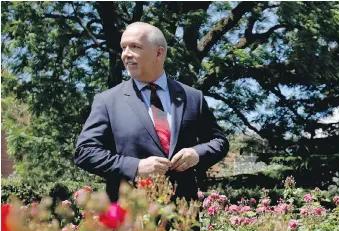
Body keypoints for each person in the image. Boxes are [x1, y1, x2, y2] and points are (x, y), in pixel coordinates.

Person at [74, 22, 229, 202]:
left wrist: (197, 154)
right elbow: (85, 152)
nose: (126, 54)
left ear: (159, 53)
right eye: (124, 47)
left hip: (183, 218)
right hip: (130, 218)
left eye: (135, 47)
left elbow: (219, 142)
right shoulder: (107, 101)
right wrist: (136, 167)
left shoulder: (192, 97)